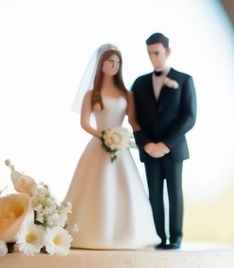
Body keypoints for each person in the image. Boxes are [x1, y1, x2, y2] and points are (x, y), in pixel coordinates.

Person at [65, 45, 157, 249]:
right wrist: (104, 135)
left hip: (121, 146)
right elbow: (85, 123)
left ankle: (128, 233)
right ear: (102, 64)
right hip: (98, 146)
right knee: (94, 186)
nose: (114, 65)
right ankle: (91, 233)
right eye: (110, 61)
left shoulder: (126, 94)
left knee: (125, 189)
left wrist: (142, 138)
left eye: (117, 62)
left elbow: (133, 122)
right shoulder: (92, 94)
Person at [131, 32, 197, 250]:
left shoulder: (184, 80)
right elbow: (135, 118)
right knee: (154, 194)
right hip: (149, 150)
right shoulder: (139, 84)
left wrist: (166, 144)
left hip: (174, 149)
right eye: (149, 53)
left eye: (157, 52)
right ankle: (158, 235)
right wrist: (147, 144)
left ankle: (176, 236)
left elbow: (189, 117)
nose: (153, 57)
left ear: (167, 52)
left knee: (175, 193)